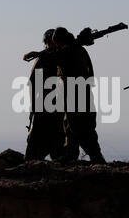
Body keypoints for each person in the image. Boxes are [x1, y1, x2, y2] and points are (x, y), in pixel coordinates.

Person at [24, 27, 105, 165]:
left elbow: (53, 58)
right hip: (73, 95)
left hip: (74, 95)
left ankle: (96, 159)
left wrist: (39, 54)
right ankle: (70, 156)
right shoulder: (76, 50)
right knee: (70, 127)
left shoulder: (69, 51)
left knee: (82, 129)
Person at [25, 29, 69, 161]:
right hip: (52, 106)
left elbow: (33, 84)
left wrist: (34, 108)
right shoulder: (59, 56)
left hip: (50, 106)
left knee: (49, 143)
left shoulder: (47, 57)